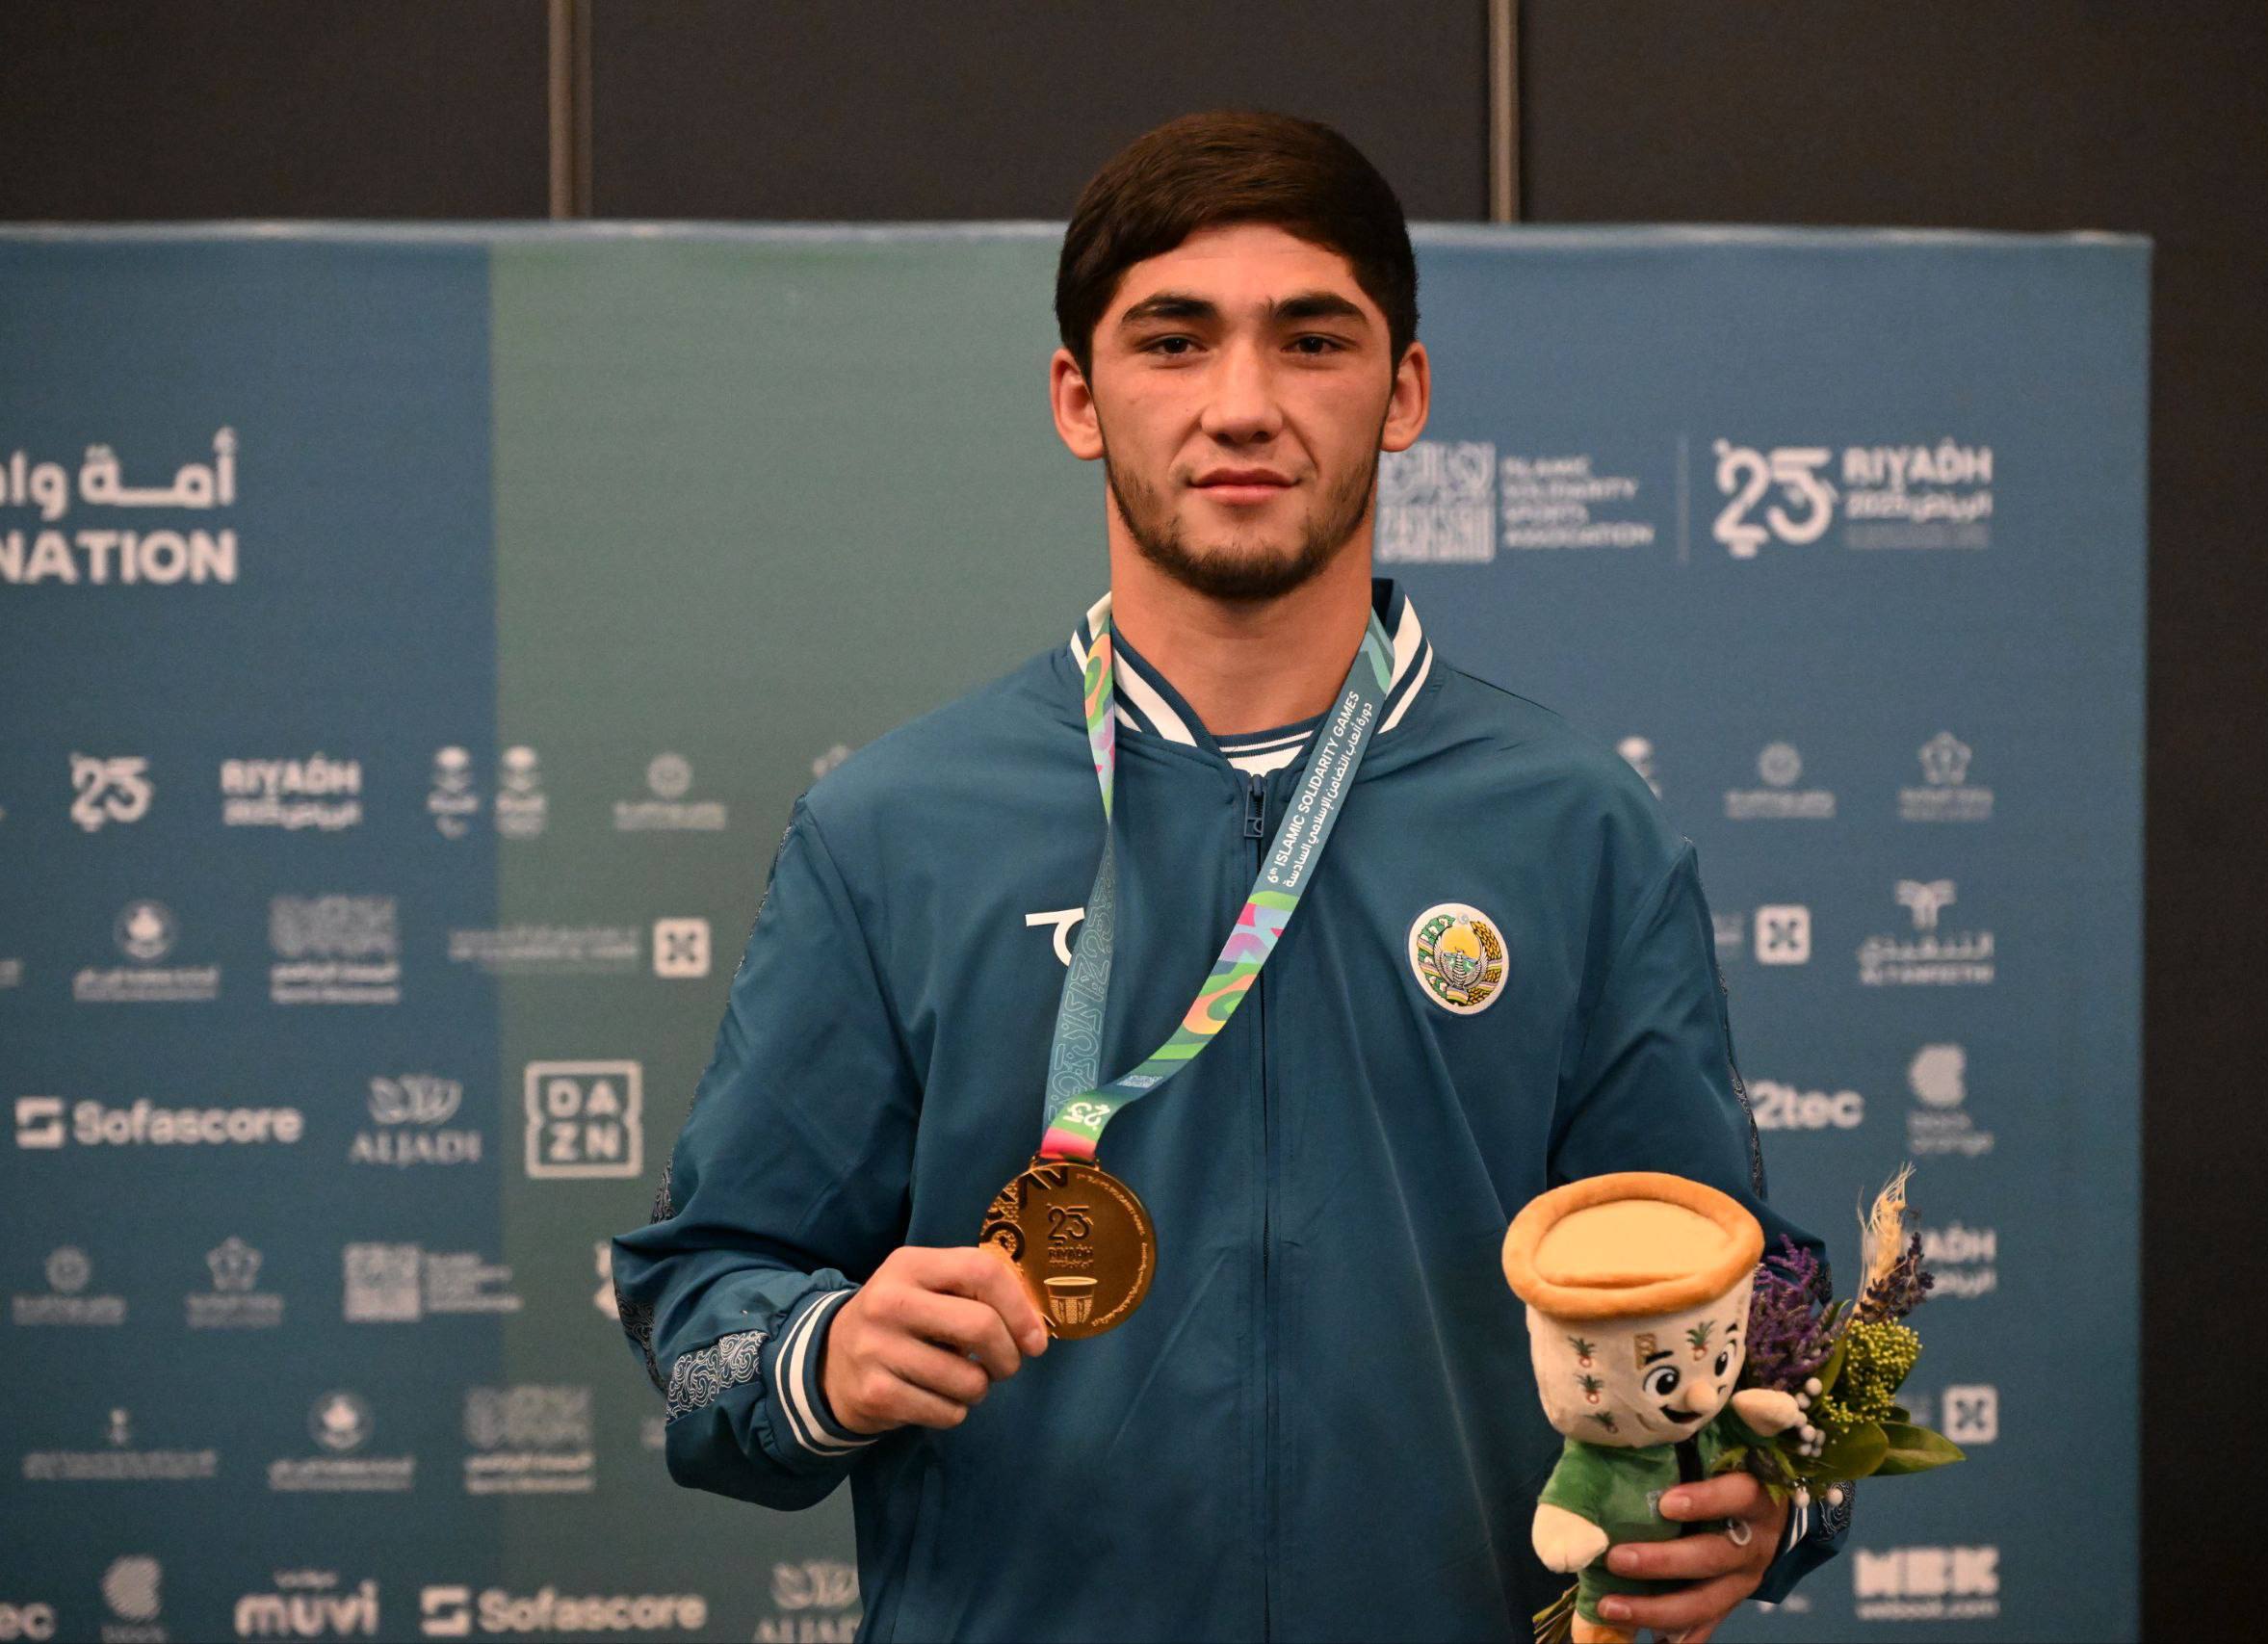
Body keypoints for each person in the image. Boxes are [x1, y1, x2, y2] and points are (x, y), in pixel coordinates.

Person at [611, 109, 1847, 1643]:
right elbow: (701, 1297)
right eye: (1174, 342)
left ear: (1404, 393)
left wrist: (1774, 1497)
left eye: (1312, 342)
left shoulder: (1575, 829)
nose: (1243, 406)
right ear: (1079, 399)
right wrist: (823, 1353)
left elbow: (1733, 1281)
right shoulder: (895, 830)